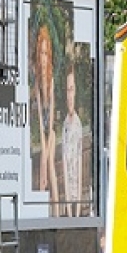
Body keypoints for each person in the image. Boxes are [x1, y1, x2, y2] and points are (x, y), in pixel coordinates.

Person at [32, 23, 60, 207]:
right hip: (42, 132)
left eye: (45, 54)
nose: (43, 59)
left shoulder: (51, 80)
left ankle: (57, 211)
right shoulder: (36, 81)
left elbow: (49, 124)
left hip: (51, 132)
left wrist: (47, 143)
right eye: (40, 53)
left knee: (48, 165)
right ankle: (44, 205)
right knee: (45, 163)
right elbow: (40, 124)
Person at [60, 64, 84, 217]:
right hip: (68, 178)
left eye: (72, 90)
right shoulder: (65, 124)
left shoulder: (77, 124)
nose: (70, 95)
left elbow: (80, 163)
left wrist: (76, 213)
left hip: (75, 178)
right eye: (67, 90)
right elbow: (63, 160)